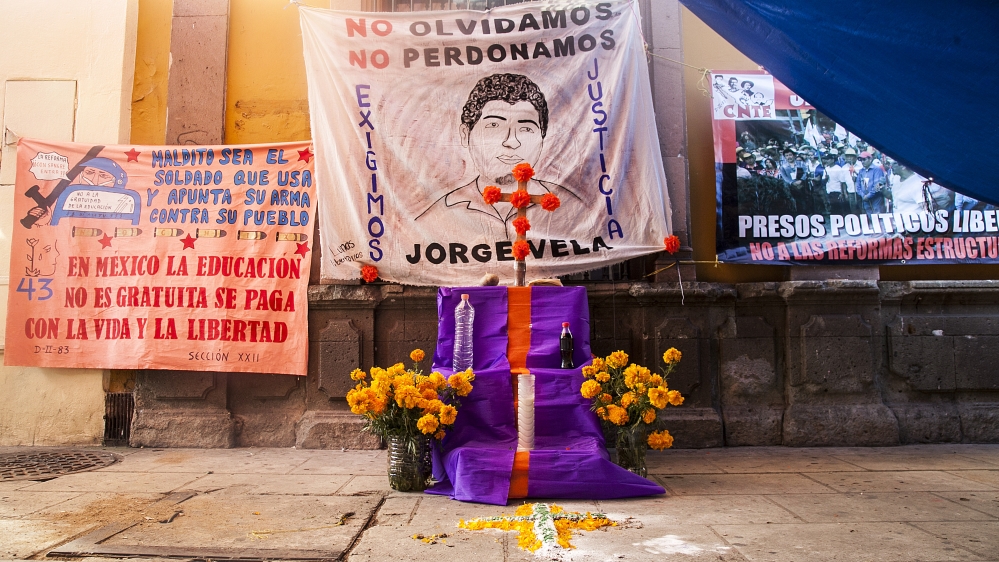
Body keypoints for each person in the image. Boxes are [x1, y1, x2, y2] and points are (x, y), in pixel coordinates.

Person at [415, 73, 581, 240]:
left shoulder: (573, 210)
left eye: (525, 129)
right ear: (466, 135)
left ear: (542, 138)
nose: (511, 141)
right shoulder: (438, 215)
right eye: (494, 125)